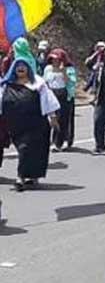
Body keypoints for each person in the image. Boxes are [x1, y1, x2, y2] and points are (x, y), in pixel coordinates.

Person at [0, 58, 60, 191]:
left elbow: (48, 100)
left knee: (27, 149)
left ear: (28, 68)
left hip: (36, 124)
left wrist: (53, 118)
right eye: (18, 66)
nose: (20, 68)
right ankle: (31, 175)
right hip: (16, 126)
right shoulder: (6, 84)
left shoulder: (38, 83)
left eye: (23, 66)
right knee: (24, 149)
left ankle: (20, 178)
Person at [43, 49, 77, 151]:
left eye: (57, 59)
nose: (55, 61)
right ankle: (51, 141)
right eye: (52, 59)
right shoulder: (48, 69)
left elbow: (71, 83)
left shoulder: (69, 69)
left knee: (62, 119)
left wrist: (63, 72)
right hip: (52, 93)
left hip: (64, 95)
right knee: (51, 119)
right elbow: (44, 81)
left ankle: (60, 142)